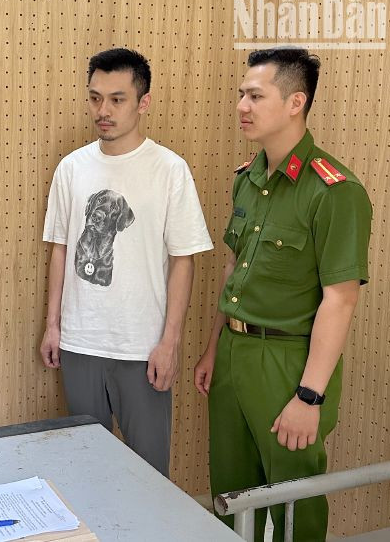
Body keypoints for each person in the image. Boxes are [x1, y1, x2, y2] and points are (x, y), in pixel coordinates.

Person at [194, 47, 372, 541]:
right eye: (241, 95)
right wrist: (214, 347)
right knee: (230, 496)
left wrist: (309, 397)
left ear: (296, 102)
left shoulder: (334, 191)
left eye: (255, 96)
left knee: (295, 504)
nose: (241, 106)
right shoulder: (248, 179)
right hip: (234, 356)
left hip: (289, 364)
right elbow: (234, 268)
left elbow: (340, 299)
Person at [40, 48, 213, 477]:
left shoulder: (169, 170)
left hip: (142, 348)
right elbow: (60, 249)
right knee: (86, 471)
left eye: (117, 99)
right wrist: (53, 326)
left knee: (150, 475)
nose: (103, 110)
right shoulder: (71, 169)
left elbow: (183, 261)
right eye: (95, 98)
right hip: (80, 343)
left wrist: (170, 343)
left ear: (143, 101)